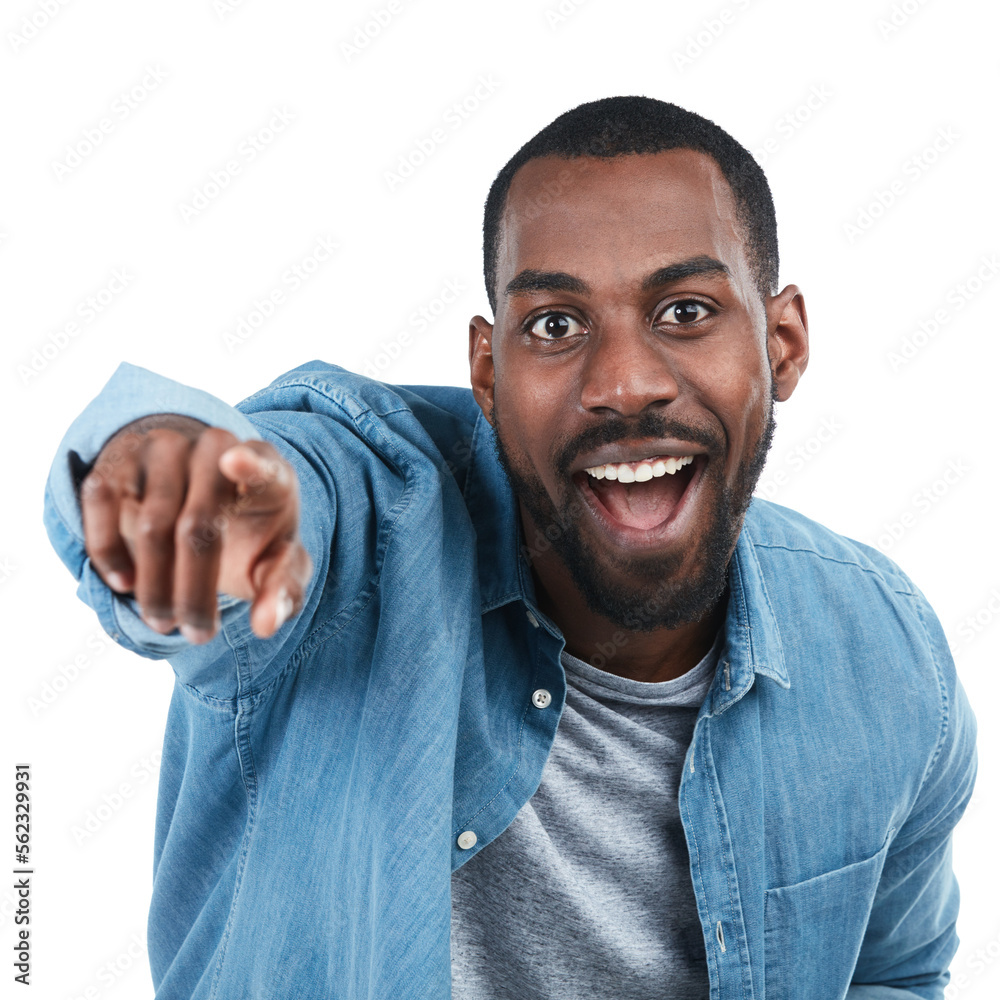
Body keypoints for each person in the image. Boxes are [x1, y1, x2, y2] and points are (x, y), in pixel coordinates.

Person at [44, 96, 977, 999]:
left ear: (782, 344)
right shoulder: (370, 536)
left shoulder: (888, 658)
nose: (624, 384)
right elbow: (286, 474)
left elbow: (889, 971)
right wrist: (171, 480)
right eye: (556, 325)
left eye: (685, 311)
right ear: (489, 371)